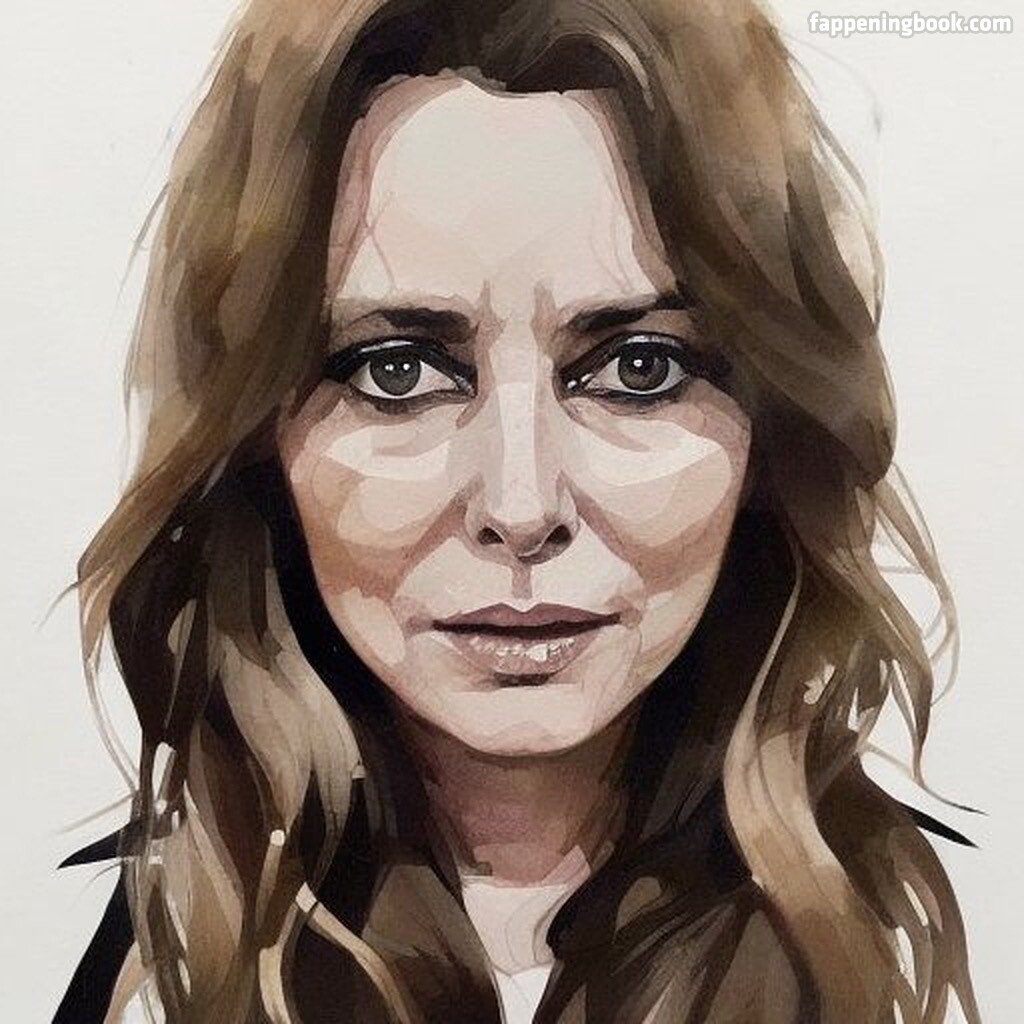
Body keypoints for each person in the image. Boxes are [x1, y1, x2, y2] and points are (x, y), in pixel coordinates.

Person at [56, 1, 980, 1022]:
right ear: (258, 439)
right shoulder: (120, 962)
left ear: (772, 434)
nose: (521, 504)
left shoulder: (936, 947)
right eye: (398, 371)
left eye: (639, 367)